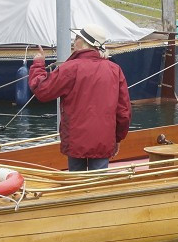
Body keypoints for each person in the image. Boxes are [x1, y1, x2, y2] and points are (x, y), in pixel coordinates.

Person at [28, 24, 132, 172]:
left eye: (76, 38)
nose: (73, 41)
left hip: (75, 140)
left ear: (82, 42)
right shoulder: (115, 70)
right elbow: (124, 112)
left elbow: (42, 91)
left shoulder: (70, 68)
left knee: (76, 181)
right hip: (104, 140)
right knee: (98, 182)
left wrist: (38, 65)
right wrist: (117, 138)